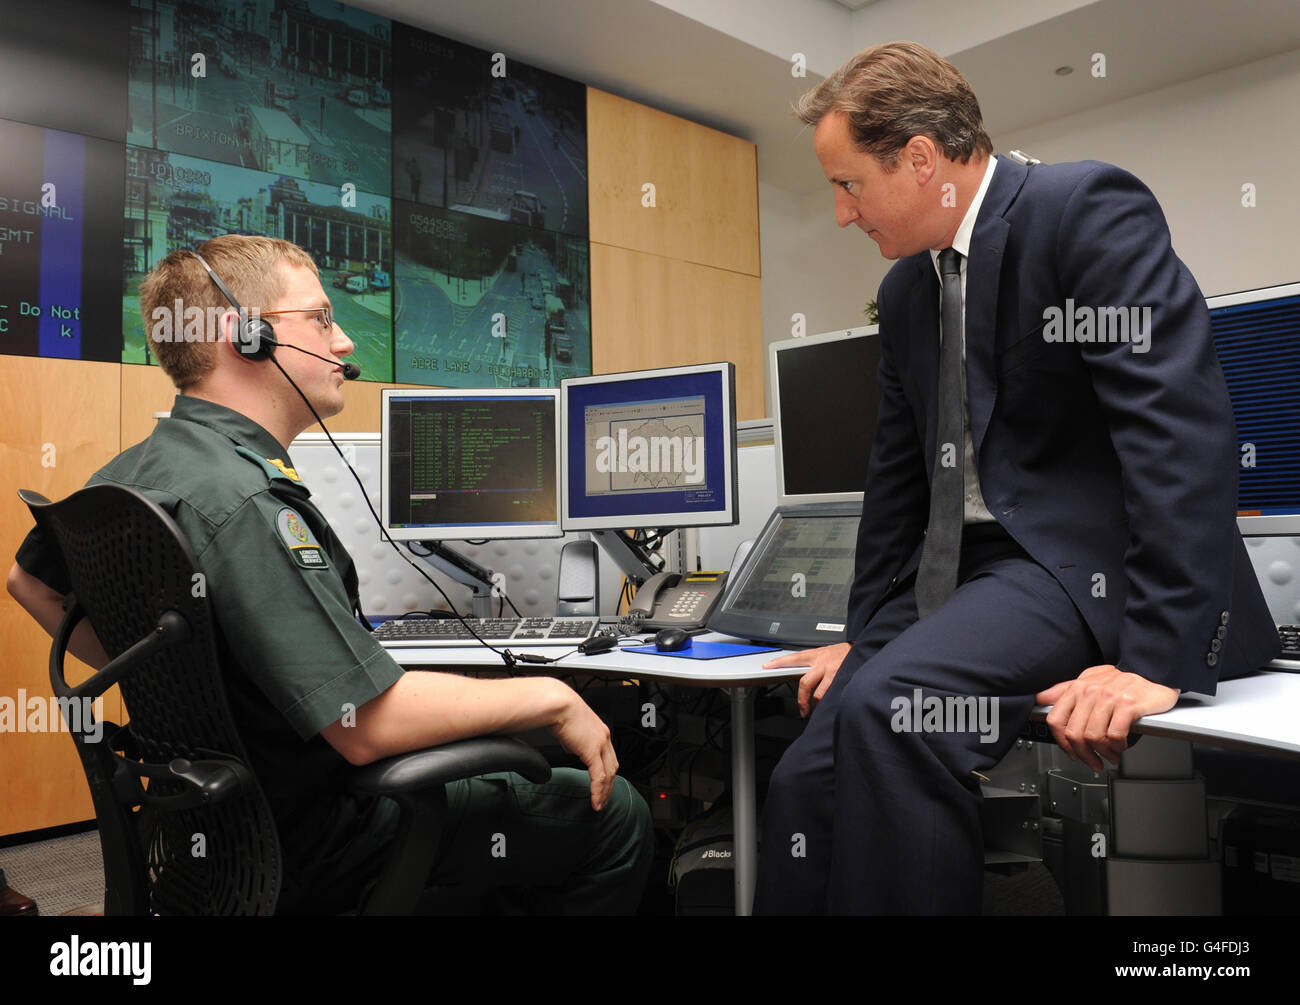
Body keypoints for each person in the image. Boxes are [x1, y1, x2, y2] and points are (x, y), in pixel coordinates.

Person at [756, 41, 1278, 914]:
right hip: (976, 581)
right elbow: (899, 492)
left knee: (893, 713)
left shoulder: (1082, 212)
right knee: (810, 766)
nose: (843, 214)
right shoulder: (909, 294)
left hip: (1079, 567)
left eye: (848, 185)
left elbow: (1177, 433)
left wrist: (1155, 659)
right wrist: (868, 635)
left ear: (920, 158)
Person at [7, 235, 652, 914]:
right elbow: (365, 725)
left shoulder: (131, 471)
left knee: (520, 743)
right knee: (615, 812)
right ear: (246, 336)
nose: (343, 341)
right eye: (319, 319)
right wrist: (552, 695)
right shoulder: (247, 502)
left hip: (219, 836)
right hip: (326, 843)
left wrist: (186, 686)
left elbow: (29, 583)